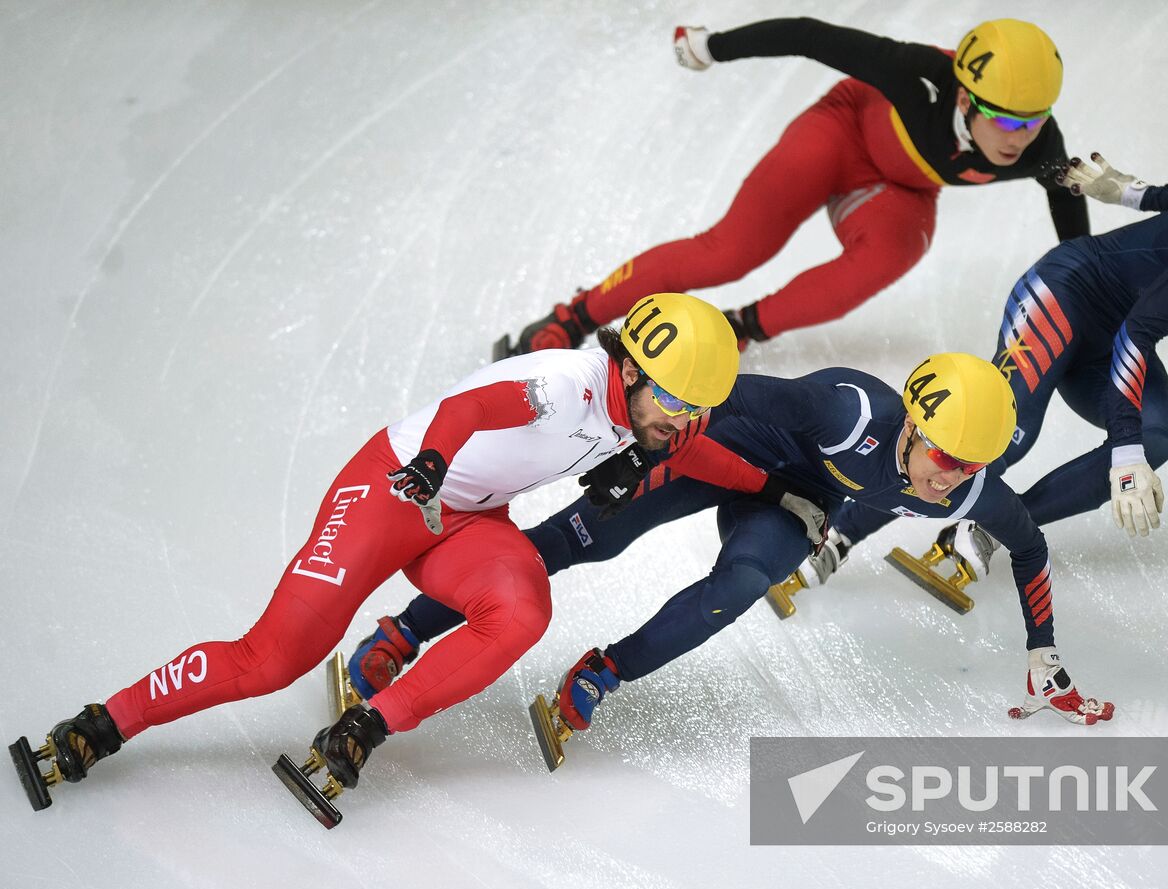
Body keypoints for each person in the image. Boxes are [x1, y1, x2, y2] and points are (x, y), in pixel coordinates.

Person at [9, 293, 774, 820]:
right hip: (395, 491)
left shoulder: (645, 409)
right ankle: (103, 722)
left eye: (695, 410)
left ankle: (364, 728)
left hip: (466, 520)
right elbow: (471, 409)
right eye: (676, 406)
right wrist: (435, 462)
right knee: (271, 659)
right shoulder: (564, 384)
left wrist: (774, 484)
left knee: (524, 607)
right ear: (634, 370)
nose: (682, 425)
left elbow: (703, 455)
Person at [350, 353, 1115, 769]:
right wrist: (640, 453)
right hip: (724, 449)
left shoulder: (968, 492)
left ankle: (603, 671)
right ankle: (407, 629)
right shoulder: (849, 412)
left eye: (970, 465)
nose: (947, 477)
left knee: (743, 583)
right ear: (912, 424)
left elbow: (1032, 546)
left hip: (792, 502)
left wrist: (1043, 643)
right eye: (943, 455)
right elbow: (723, 396)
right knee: (582, 538)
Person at [812, 144, 1168, 570]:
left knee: (1157, 438)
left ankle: (989, 533)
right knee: (1002, 436)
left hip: (1112, 334)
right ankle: (837, 534)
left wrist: (1131, 193)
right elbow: (1141, 331)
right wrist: (1124, 452)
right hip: (1067, 294)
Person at [495, 16, 1088, 357]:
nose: (1020, 138)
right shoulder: (916, 76)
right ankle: (573, 317)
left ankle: (740, 328)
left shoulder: (1041, 145)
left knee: (900, 248)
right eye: (1007, 120)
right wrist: (711, 47)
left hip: (899, 189)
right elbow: (810, 35)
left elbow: (1067, 205)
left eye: (1034, 119)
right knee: (730, 253)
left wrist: (1082, 288)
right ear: (964, 97)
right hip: (840, 134)